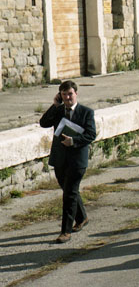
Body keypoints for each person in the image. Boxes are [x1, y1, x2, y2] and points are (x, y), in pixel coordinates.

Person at [39, 80, 97, 244]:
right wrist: (54, 105)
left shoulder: (86, 112)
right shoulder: (58, 111)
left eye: (70, 94)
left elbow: (91, 134)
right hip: (60, 158)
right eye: (64, 95)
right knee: (69, 190)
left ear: (76, 93)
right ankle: (82, 217)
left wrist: (74, 141)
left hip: (77, 160)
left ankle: (65, 231)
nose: (67, 98)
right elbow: (43, 123)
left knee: (69, 194)